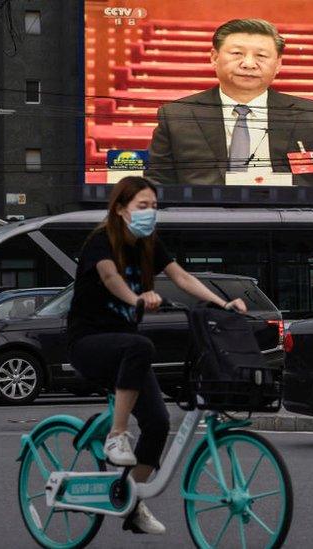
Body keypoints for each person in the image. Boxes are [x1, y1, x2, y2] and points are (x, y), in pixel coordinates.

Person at [67, 176, 247, 535]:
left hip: (124, 348)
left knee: (159, 424)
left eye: (154, 206)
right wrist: (135, 298)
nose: (150, 213)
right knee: (141, 346)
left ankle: (130, 501)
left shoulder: (149, 244)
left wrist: (222, 302)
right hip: (89, 344)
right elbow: (109, 277)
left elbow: (181, 277)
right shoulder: (100, 242)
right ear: (120, 209)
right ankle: (116, 434)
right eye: (142, 206)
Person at [143, 18, 313, 188]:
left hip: (294, 226)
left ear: (278, 64)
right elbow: (157, 181)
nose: (249, 64)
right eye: (237, 53)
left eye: (261, 56)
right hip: (206, 226)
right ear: (214, 57)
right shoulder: (177, 115)